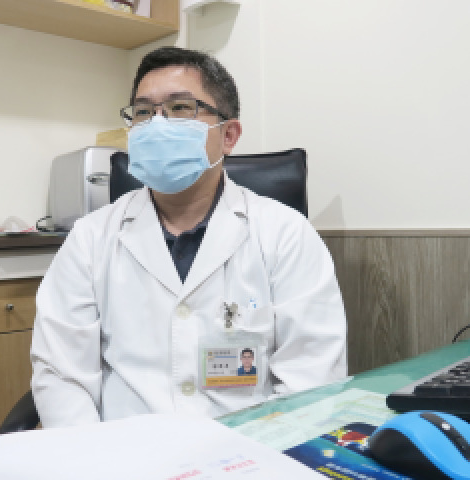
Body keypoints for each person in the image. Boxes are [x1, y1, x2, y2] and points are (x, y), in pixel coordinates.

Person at [31, 46, 347, 427]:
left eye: (180, 107)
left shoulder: (286, 235)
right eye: (143, 112)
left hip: (248, 448)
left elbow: (311, 380)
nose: (156, 125)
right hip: (126, 450)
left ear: (228, 135)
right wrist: (99, 455)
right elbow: (62, 377)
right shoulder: (90, 239)